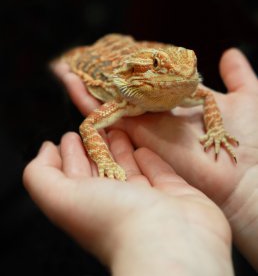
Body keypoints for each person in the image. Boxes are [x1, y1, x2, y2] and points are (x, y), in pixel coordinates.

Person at [23, 48, 258, 274]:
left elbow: (205, 94)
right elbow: (89, 125)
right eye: (156, 67)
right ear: (135, 71)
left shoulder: (190, 88)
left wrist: (216, 130)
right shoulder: (121, 98)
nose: (186, 78)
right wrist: (104, 160)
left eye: (192, 67)